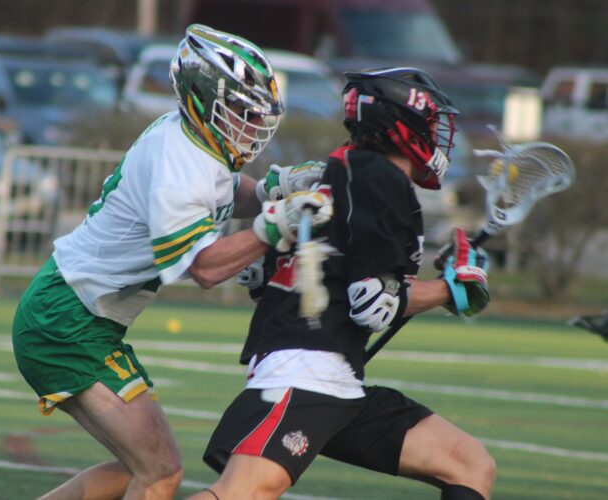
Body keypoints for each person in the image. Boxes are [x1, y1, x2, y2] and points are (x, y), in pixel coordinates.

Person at [11, 24, 332, 500]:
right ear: (205, 101)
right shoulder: (178, 167)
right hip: (67, 321)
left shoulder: (193, 140)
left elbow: (221, 194)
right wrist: (274, 225)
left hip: (77, 314)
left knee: (140, 469)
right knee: (160, 472)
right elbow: (205, 268)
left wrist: (271, 190)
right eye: (243, 112)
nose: (252, 125)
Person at [190, 67, 496, 500]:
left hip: (334, 375)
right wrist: (452, 288)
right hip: (307, 371)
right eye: (430, 124)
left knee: (468, 463)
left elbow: (331, 279)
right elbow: (373, 304)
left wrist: (446, 284)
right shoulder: (381, 179)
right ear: (401, 125)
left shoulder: (342, 169)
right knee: (243, 493)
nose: (436, 136)